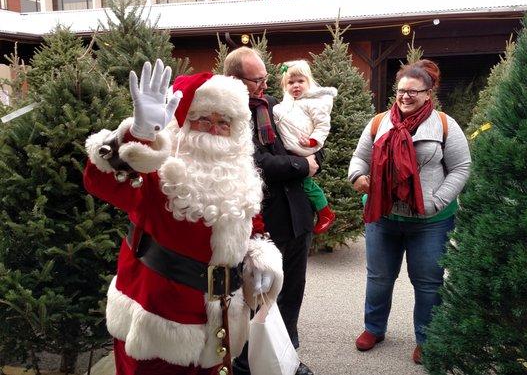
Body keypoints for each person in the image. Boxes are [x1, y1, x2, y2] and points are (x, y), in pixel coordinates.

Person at [83, 60, 285, 375]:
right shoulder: (159, 171)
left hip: (221, 322)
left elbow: (251, 226)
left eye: (225, 123)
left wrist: (260, 254)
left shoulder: (239, 172)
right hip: (158, 323)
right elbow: (101, 182)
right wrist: (137, 138)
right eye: (204, 119)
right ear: (184, 122)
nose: (216, 130)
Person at [348, 59, 471, 364]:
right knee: (379, 277)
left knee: (428, 281)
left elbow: (461, 167)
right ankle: (373, 329)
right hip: (384, 216)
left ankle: (428, 338)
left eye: (414, 92)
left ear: (429, 93)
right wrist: (357, 176)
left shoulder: (444, 124)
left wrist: (437, 201)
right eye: (402, 90)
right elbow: (359, 158)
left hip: (430, 221)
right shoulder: (379, 123)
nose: (405, 97)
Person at [223, 47, 316, 375]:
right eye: (257, 79)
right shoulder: (227, 115)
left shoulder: (273, 106)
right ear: (235, 79)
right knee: (258, 297)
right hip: (262, 225)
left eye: (265, 77)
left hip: (296, 217)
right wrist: (301, 165)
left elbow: (308, 143)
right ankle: (249, 364)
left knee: (291, 293)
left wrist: (308, 152)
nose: (264, 84)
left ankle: (287, 357)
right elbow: (257, 162)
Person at [273, 59, 337, 234]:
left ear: (309, 82)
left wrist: (312, 141)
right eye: (290, 82)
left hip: (306, 150)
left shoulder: (314, 102)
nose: (296, 86)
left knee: (307, 184)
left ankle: (325, 212)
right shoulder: (285, 105)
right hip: (290, 152)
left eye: (300, 81)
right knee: (301, 185)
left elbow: (323, 125)